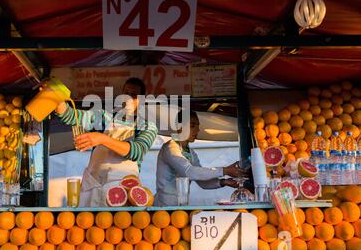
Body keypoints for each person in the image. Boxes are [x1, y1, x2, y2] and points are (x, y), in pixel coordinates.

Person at [55, 78, 158, 207]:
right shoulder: (104, 117)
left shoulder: (148, 126)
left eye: (133, 95)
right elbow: (71, 116)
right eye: (125, 93)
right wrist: (55, 99)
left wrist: (102, 139)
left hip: (122, 193)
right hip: (92, 188)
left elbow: (136, 151)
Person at [155, 110, 246, 206]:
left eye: (197, 126)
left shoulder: (191, 153)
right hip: (163, 208)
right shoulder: (170, 148)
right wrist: (225, 170)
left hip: (180, 208)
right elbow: (190, 172)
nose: (197, 130)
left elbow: (201, 181)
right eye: (192, 126)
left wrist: (224, 182)